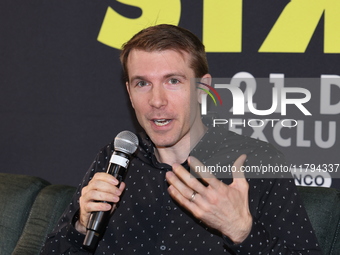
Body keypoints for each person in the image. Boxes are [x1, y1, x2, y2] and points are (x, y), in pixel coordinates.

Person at [41, 24, 322, 254]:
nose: (157, 100)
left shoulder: (255, 162)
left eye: (173, 81)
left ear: (203, 88)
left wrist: (242, 231)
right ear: (129, 92)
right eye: (142, 83)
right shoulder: (115, 158)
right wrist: (79, 226)